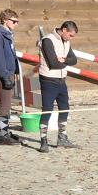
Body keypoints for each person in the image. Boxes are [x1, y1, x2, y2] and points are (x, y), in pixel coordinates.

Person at [37, 21, 79, 152]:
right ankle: (43, 140)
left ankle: (62, 137)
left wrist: (64, 60)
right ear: (64, 30)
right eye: (70, 35)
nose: (71, 38)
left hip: (61, 79)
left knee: (64, 108)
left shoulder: (66, 42)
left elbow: (74, 59)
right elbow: (53, 63)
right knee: (47, 109)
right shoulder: (47, 40)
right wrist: (64, 62)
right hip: (48, 80)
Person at [0, 9, 20, 145]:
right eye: (14, 21)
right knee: (5, 104)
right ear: (5, 20)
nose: (16, 24)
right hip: (4, 74)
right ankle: (3, 134)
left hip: (9, 73)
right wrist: (5, 75)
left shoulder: (6, 34)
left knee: (7, 104)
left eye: (17, 21)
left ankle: (5, 131)